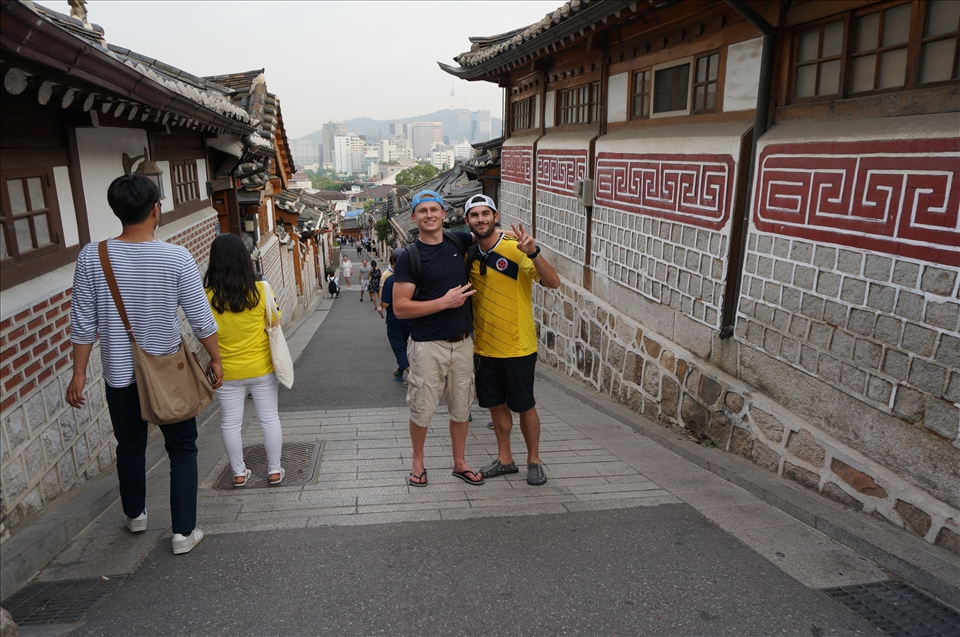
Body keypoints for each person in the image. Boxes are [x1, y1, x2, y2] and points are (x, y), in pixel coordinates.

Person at [66, 174, 222, 555]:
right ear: (156, 210)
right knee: (182, 448)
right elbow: (201, 319)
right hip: (168, 374)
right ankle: (183, 533)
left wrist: (79, 373)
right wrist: (215, 358)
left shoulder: (92, 256)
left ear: (117, 211)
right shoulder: (176, 257)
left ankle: (135, 514)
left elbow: (83, 322)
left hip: (120, 375)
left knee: (129, 445)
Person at [464, 194, 561, 486]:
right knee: (495, 406)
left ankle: (534, 460)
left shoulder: (515, 248)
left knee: (525, 406)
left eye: (485, 213)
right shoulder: (469, 253)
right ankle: (505, 459)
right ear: (467, 221)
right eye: (474, 215)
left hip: (518, 346)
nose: (480, 219)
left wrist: (534, 253)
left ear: (496, 216)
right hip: (484, 348)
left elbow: (553, 282)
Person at [393, 190, 482, 487]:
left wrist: (522, 243)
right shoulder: (410, 257)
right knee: (422, 409)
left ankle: (460, 462)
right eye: (423, 211)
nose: (429, 215)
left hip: (463, 343)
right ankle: (418, 463)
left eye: (434, 209)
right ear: (414, 217)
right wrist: (445, 302)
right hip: (427, 346)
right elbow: (400, 308)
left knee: (462, 408)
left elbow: (486, 233)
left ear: (444, 214)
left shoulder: (458, 241)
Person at [204, 234, 286, 488]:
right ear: (244, 258)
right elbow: (275, 322)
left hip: (226, 370)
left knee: (230, 423)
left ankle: (239, 473)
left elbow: (203, 331)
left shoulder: (206, 296)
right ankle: (274, 470)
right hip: (261, 366)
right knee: (269, 418)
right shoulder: (261, 289)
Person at [380, 248, 411, 386]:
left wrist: (381, 304)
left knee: (399, 348)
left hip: (395, 320)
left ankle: (413, 377)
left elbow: (385, 303)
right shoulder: (413, 279)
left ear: (392, 261)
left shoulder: (390, 280)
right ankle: (399, 371)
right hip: (412, 318)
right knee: (410, 348)